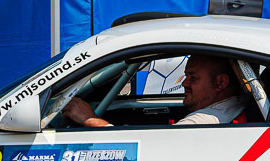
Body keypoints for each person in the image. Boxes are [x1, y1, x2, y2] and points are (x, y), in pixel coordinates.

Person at [64, 54, 249, 128]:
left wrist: (90, 119)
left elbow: (139, 155)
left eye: (193, 78)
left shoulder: (203, 122)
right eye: (186, 76)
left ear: (220, 83)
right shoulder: (237, 104)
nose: (184, 83)